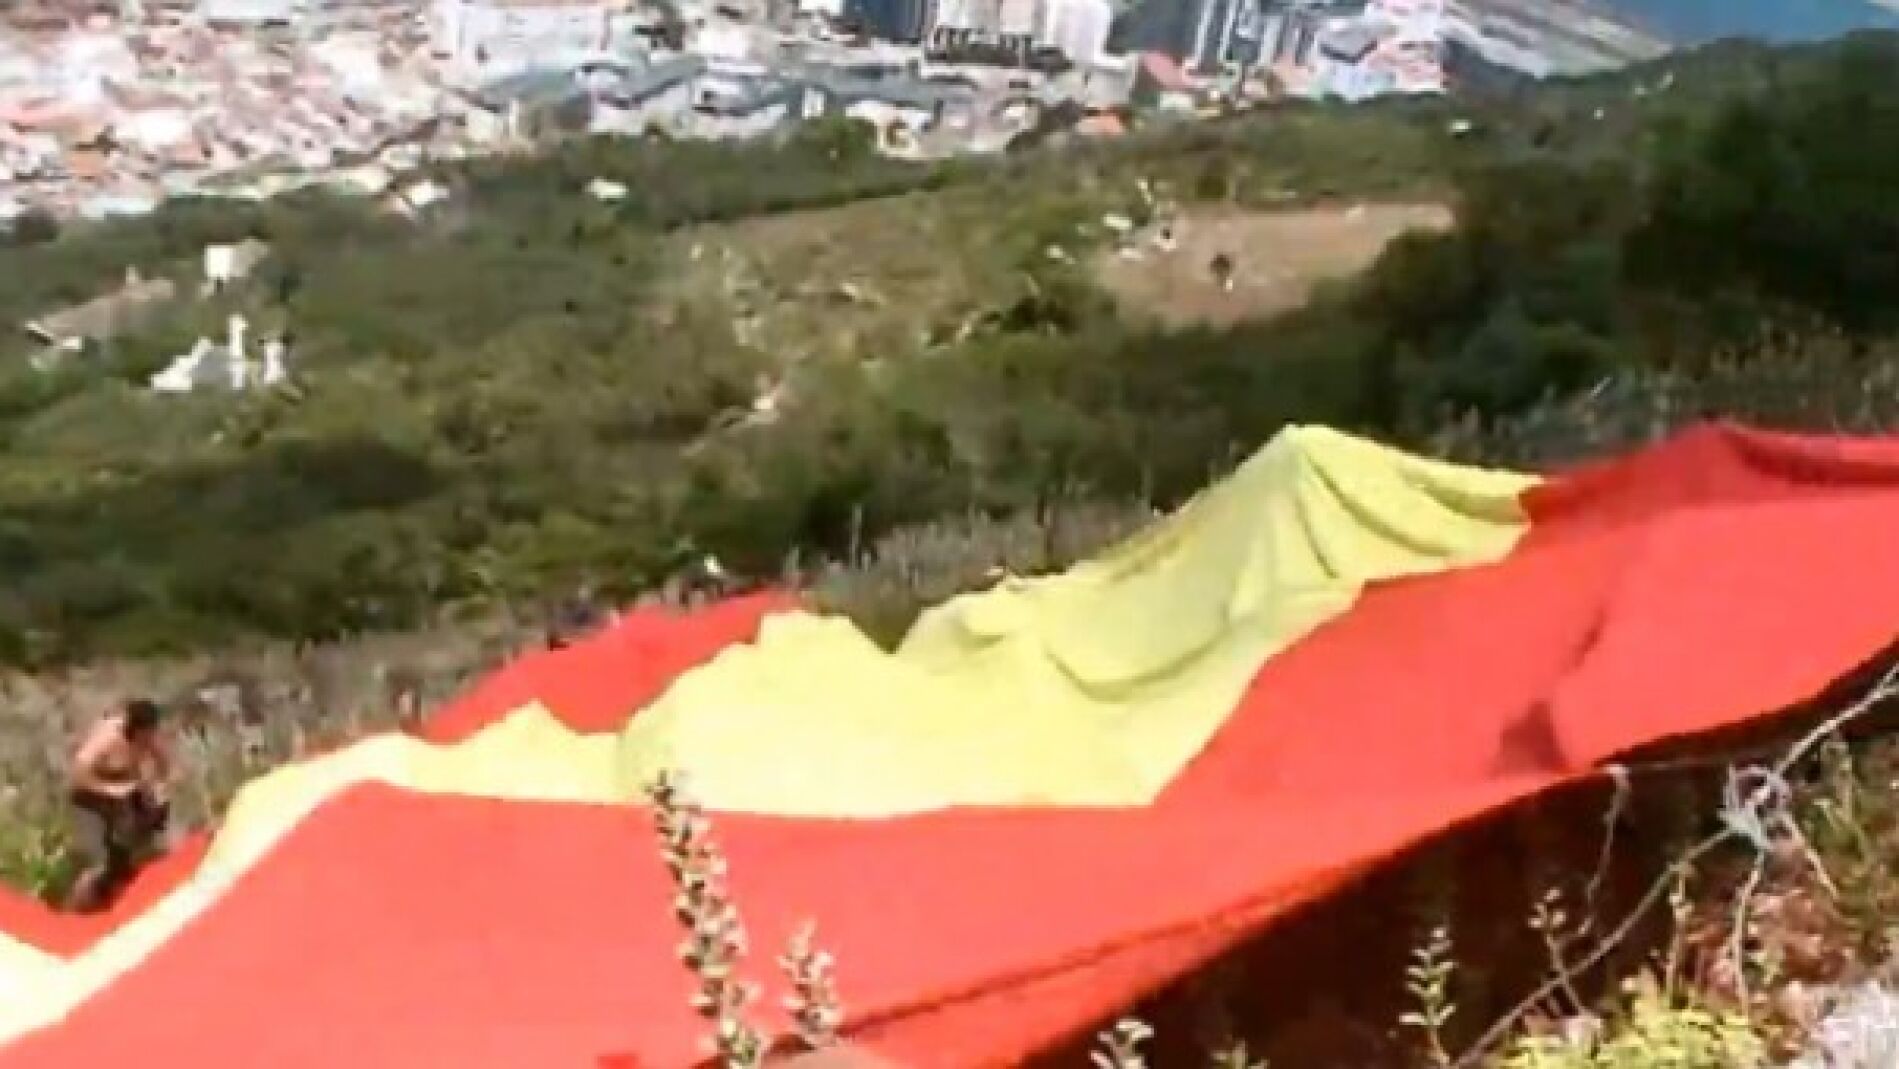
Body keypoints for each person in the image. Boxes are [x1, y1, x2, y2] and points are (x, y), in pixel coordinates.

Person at [64, 699, 174, 913]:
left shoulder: (149, 739)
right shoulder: (108, 739)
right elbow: (78, 772)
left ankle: (122, 897)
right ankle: (73, 913)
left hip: (125, 795)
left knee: (133, 853)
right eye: (145, 734)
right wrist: (108, 789)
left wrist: (159, 786)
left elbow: (164, 763)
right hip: (91, 794)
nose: (149, 740)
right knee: (97, 863)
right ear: (135, 729)